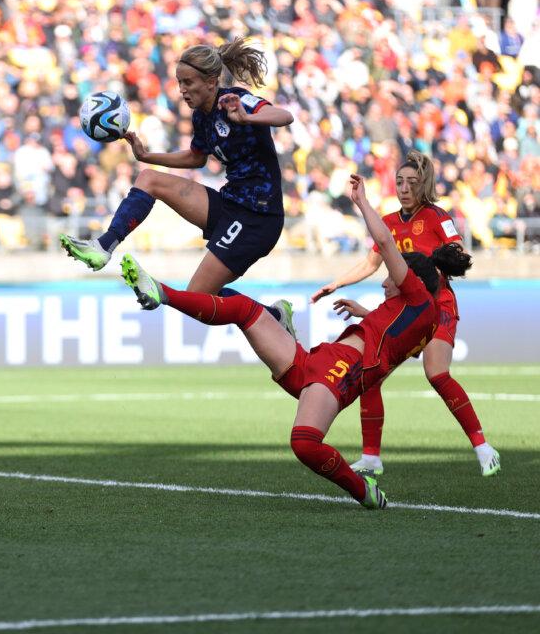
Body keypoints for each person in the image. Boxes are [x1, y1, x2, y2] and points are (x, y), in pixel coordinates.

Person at [119, 175, 473, 509]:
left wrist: (363, 203)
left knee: (304, 443)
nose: (384, 283)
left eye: (390, 280)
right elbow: (396, 339)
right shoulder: (419, 313)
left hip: (338, 373)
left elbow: (384, 243)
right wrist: (367, 313)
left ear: (410, 280)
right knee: (243, 309)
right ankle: (173, 295)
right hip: (318, 363)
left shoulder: (416, 296)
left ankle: (363, 490)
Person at [59, 37, 297, 329]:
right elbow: (196, 158)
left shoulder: (235, 100)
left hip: (258, 217)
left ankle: (273, 318)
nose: (182, 90)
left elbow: (284, 116)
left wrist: (247, 117)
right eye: (179, 83)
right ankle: (103, 246)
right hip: (231, 204)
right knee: (149, 178)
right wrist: (146, 155)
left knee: (196, 297)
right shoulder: (202, 116)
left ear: (211, 82)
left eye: (188, 83)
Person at [311, 152, 500, 477]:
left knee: (436, 373)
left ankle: (483, 447)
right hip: (405, 311)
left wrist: (434, 264)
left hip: (437, 304)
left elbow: (459, 252)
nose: (404, 188)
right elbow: (371, 264)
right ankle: (371, 457)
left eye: (412, 182)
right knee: (369, 376)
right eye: (399, 181)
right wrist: (337, 283)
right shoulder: (387, 223)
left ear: (423, 184)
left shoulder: (437, 216)